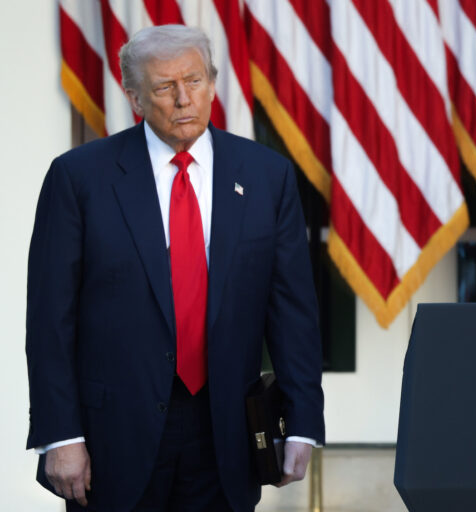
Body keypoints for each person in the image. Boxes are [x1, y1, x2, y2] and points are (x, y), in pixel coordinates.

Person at [25, 25, 324, 511]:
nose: (184, 98)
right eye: (165, 87)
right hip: (112, 440)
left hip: (227, 434)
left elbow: (293, 312)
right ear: (135, 97)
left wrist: (304, 421)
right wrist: (60, 435)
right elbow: (49, 321)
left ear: (212, 82)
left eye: (195, 81)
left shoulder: (268, 176)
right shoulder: (79, 178)